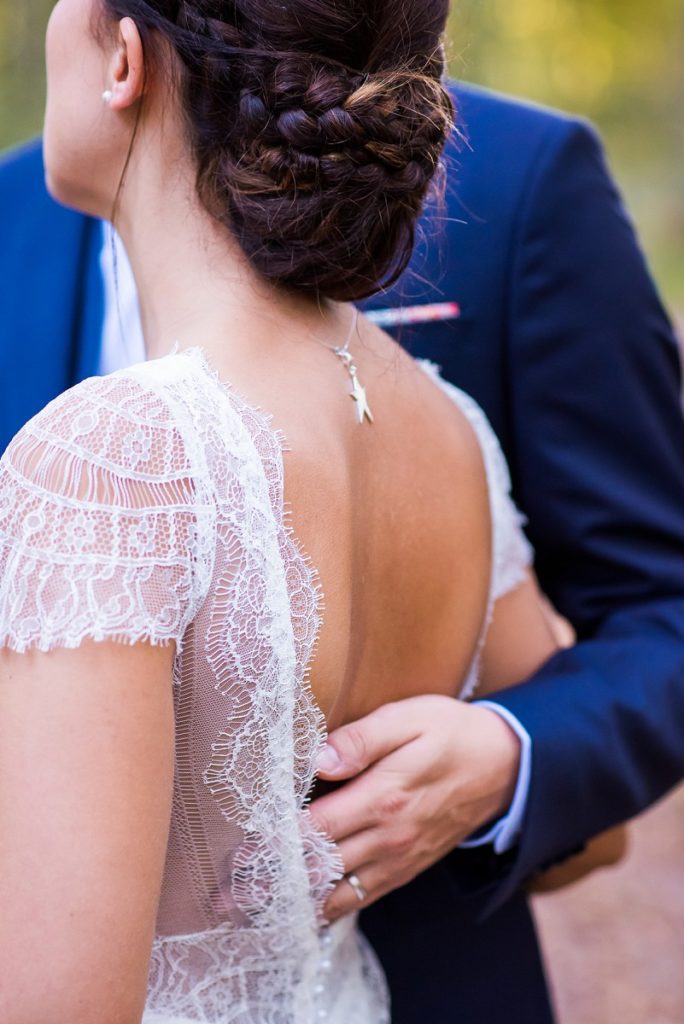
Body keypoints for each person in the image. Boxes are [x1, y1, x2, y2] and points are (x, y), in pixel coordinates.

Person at [2, 15, 684, 1024]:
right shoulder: (451, 432)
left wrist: (508, 756)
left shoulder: (107, 452)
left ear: (122, 59)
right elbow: (600, 847)